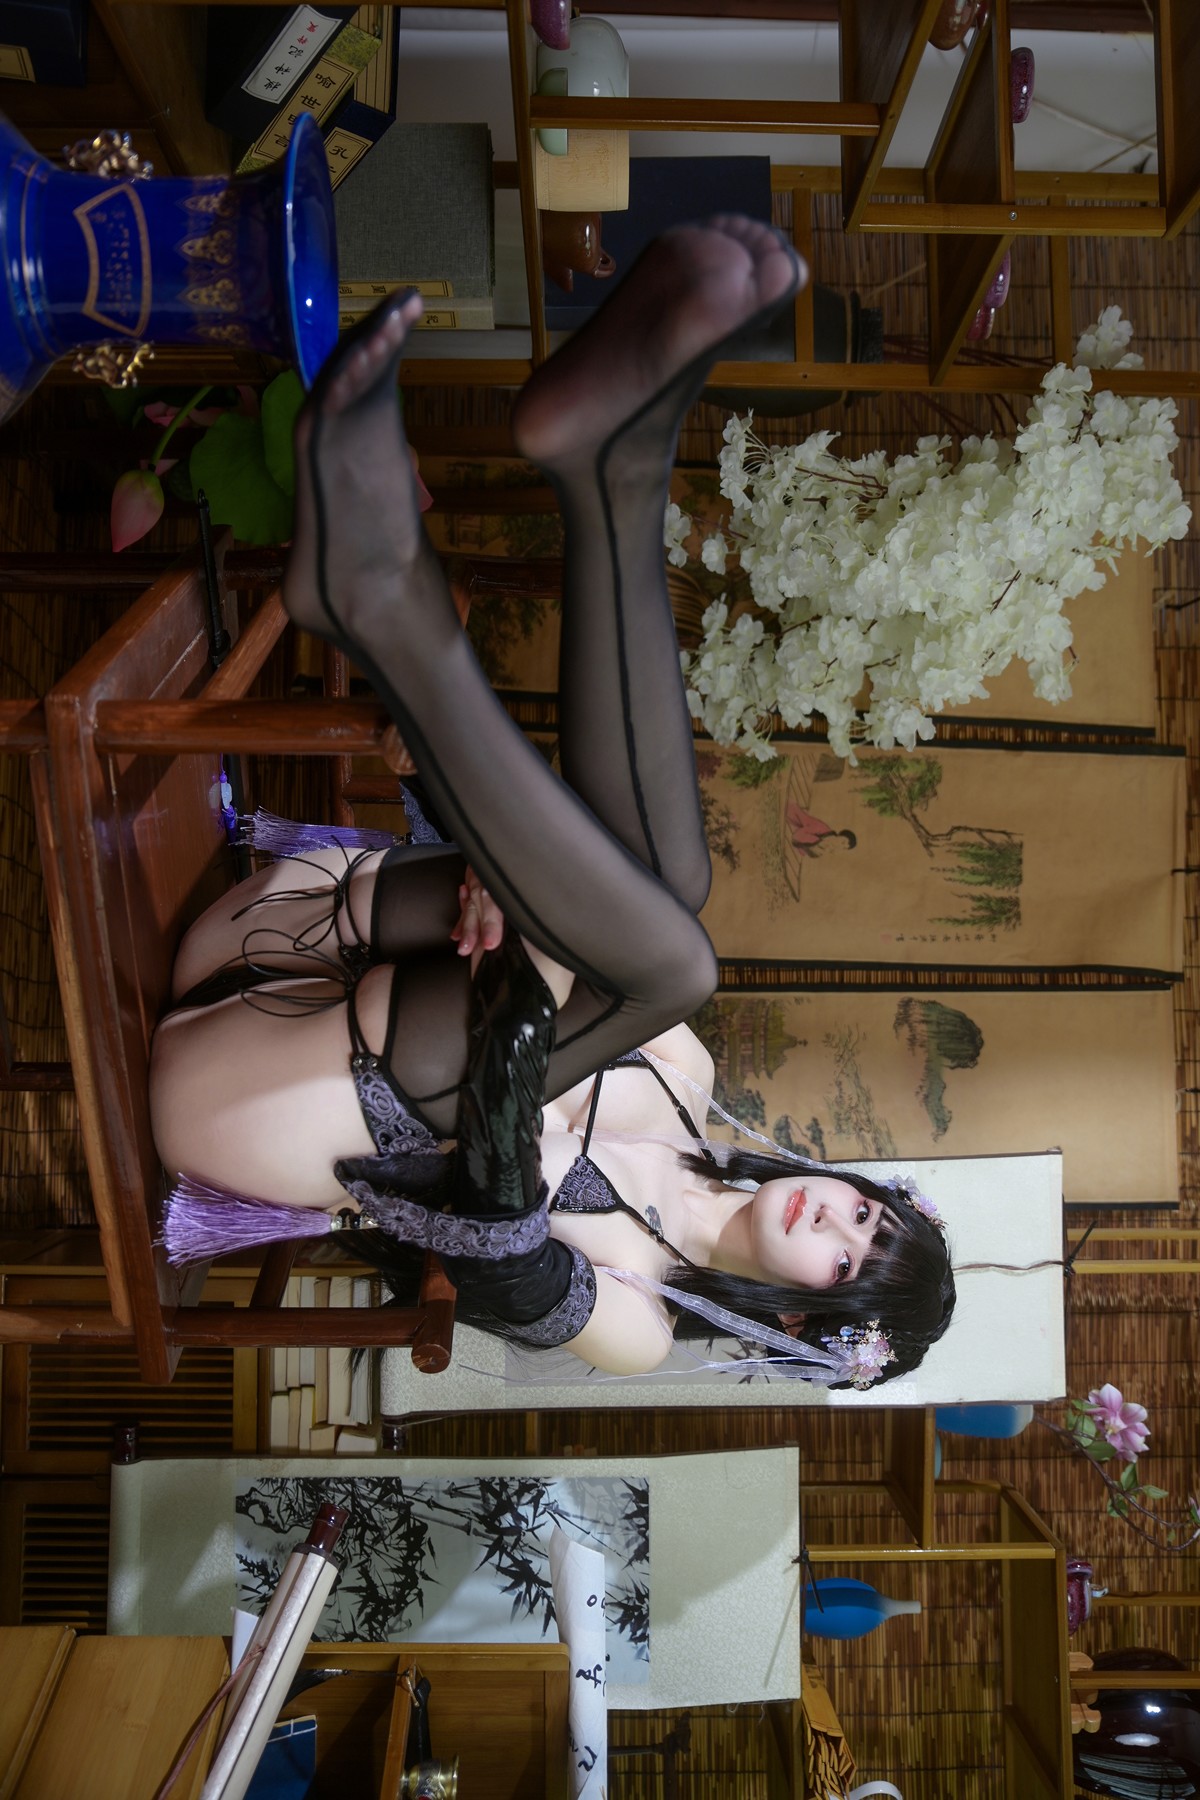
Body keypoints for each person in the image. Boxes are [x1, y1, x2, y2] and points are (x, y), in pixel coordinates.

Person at [149, 217, 956, 1389]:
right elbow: (570, 917)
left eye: (847, 1263)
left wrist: (524, 997)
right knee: (663, 901)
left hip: (250, 1094)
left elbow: (491, 1255)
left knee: (668, 962)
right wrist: (515, 898)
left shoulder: (641, 1323)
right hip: (289, 932)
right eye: (866, 1214)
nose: (833, 1220)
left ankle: (572, 499)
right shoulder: (686, 1082)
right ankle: (591, 479)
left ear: (802, 1320)